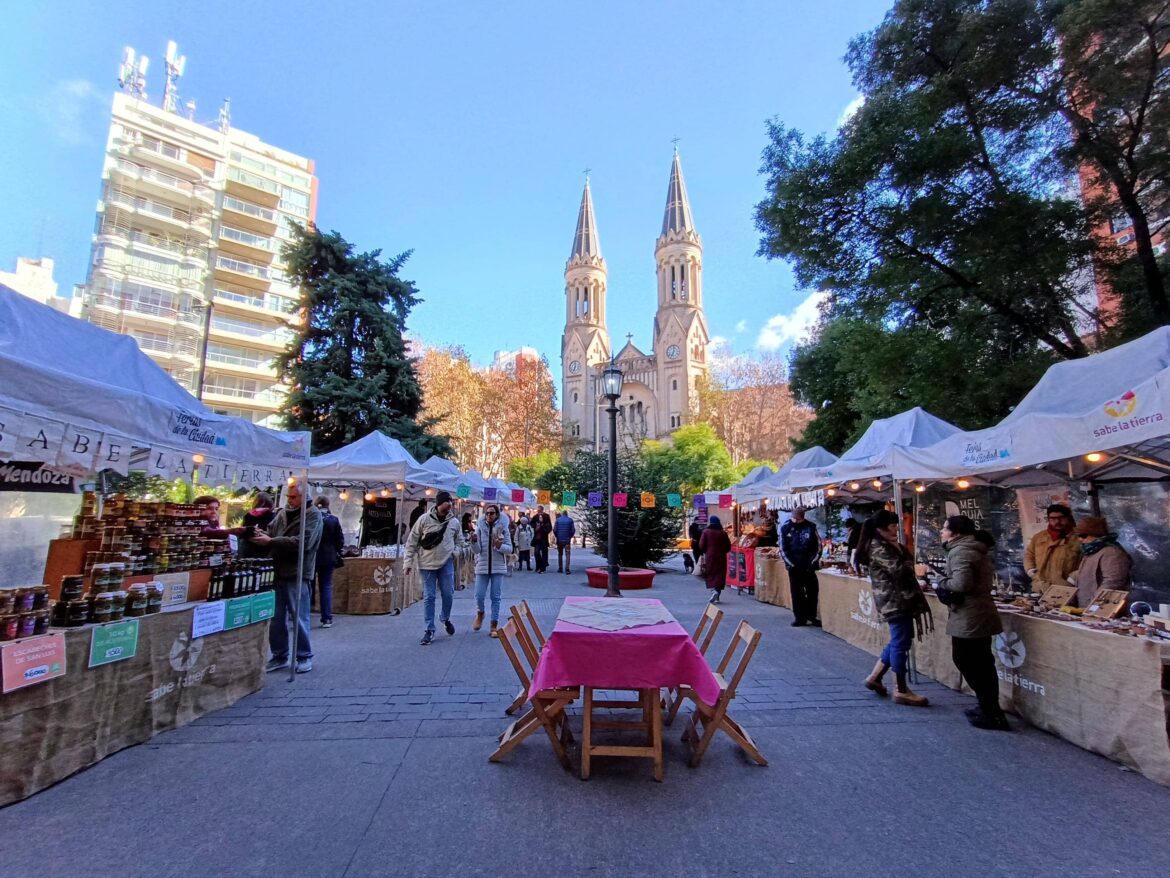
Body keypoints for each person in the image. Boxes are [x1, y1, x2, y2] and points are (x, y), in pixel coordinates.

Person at [933, 515, 1009, 731]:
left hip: (971, 614)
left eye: (945, 528)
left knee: (968, 660)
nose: (941, 531)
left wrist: (940, 581)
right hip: (978, 612)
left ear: (955, 533)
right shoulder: (972, 548)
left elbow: (962, 583)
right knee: (980, 662)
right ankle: (988, 707)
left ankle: (990, 711)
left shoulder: (961, 550)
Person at [858, 510, 933, 707]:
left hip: (899, 599)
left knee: (899, 639)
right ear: (880, 529)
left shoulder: (886, 545)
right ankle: (900, 688)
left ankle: (875, 677)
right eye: (892, 527)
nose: (895, 531)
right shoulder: (879, 547)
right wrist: (908, 560)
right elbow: (898, 570)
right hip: (895, 600)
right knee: (901, 642)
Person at [249, 483, 322, 674]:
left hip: (297, 573)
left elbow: (303, 543)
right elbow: (272, 532)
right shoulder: (282, 513)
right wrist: (262, 534)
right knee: (276, 617)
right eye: (288, 496)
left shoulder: (313, 515)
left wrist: (271, 541)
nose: (289, 500)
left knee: (299, 617)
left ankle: (304, 655)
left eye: (293, 497)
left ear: (304, 497)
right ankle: (280, 655)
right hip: (276, 570)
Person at [404, 491, 466, 645]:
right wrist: (408, 563)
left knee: (448, 594)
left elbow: (460, 542)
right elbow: (412, 541)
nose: (449, 507)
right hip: (426, 564)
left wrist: (455, 552)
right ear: (439, 504)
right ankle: (429, 629)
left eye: (451, 504)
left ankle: (444, 617)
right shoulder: (424, 519)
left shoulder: (454, 522)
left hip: (446, 563)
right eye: (447, 504)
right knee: (429, 596)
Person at [1071, 516, 1132, 607]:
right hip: (1085, 606)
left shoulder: (1112, 553)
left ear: (1095, 534)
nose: (1080, 539)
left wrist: (1094, 605)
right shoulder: (1091, 551)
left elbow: (1113, 582)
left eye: (1083, 535)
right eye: (1078, 536)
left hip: (1103, 608)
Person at [471, 504, 513, 637]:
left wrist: (499, 546)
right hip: (482, 565)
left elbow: (510, 549)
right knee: (479, 595)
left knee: (495, 597)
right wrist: (473, 542)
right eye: (487, 513)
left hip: (498, 566)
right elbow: (477, 550)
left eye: (492, 513)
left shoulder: (503, 529)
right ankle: (480, 613)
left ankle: (493, 625)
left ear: (497, 515)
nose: (489, 515)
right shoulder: (480, 528)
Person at [1024, 504, 1081, 592]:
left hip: (1066, 589)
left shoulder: (1079, 538)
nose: (1057, 521)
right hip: (1040, 587)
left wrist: (1073, 578)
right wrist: (1030, 570)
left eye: (1061, 518)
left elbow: (1088, 562)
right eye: (1053, 518)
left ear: (1068, 518)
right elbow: (1029, 554)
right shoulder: (1039, 537)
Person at [781, 505, 822, 627]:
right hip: (794, 566)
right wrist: (791, 564)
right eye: (794, 518)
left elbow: (818, 546)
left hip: (809, 565)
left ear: (803, 518)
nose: (795, 521)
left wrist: (813, 561)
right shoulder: (786, 528)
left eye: (798, 519)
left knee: (812, 592)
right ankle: (799, 617)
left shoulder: (811, 527)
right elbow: (783, 548)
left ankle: (812, 615)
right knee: (797, 593)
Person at [313, 496, 345, 629]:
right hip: (328, 557)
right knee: (325, 587)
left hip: (312, 556)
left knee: (308, 587)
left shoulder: (311, 519)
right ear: (328, 505)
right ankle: (326, 618)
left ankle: (302, 615)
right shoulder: (333, 520)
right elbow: (340, 540)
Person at [699, 515, 732, 604]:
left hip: (710, 556)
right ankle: (717, 596)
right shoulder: (723, 533)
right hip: (721, 557)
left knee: (711, 573)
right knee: (720, 575)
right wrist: (722, 551)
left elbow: (701, 545)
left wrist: (706, 551)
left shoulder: (706, 532)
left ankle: (714, 591)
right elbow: (728, 546)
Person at [237, 491, 276, 559]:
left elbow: (242, 532)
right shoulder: (273, 515)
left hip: (248, 548)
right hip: (264, 549)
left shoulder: (249, 515)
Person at [531, 505, 553, 573]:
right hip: (537, 537)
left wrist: (545, 529)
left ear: (542, 510)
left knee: (544, 552)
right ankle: (539, 565)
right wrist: (535, 527)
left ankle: (543, 567)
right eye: (538, 510)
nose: (539, 512)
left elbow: (549, 526)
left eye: (540, 510)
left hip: (543, 537)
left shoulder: (546, 516)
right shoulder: (535, 517)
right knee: (536, 553)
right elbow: (532, 524)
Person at [554, 509, 576, 573]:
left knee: (560, 554)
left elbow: (555, 530)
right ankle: (567, 569)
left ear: (562, 514)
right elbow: (573, 530)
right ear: (567, 514)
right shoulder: (570, 520)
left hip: (559, 540)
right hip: (567, 540)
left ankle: (560, 568)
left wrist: (557, 536)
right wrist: (570, 537)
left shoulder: (557, 520)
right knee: (568, 554)